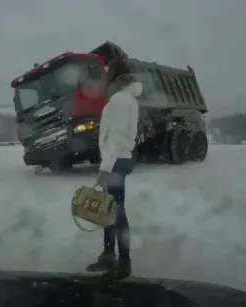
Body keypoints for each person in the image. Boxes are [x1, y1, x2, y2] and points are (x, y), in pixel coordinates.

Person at [86, 58, 142, 280]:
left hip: (116, 159)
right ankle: (110, 254)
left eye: (106, 75)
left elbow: (116, 138)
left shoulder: (119, 100)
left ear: (114, 78)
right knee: (109, 209)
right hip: (120, 158)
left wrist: (104, 169)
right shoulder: (127, 99)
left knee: (116, 212)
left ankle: (124, 261)